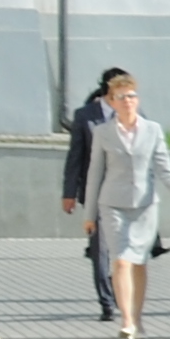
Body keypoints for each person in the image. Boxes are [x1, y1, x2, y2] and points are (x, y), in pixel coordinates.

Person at [82, 72, 170, 339]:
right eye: (121, 97)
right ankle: (126, 321)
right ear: (112, 102)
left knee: (139, 263)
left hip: (145, 206)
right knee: (121, 261)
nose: (127, 101)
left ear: (137, 99)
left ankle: (137, 315)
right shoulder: (103, 132)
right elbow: (95, 174)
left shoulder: (153, 130)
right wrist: (89, 215)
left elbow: (164, 168)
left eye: (131, 96)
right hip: (112, 204)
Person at [59, 67, 122, 322]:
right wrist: (69, 193)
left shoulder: (134, 114)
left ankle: (120, 290)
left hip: (127, 195)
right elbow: (75, 157)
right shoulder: (85, 116)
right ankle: (107, 302)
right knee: (100, 251)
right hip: (96, 195)